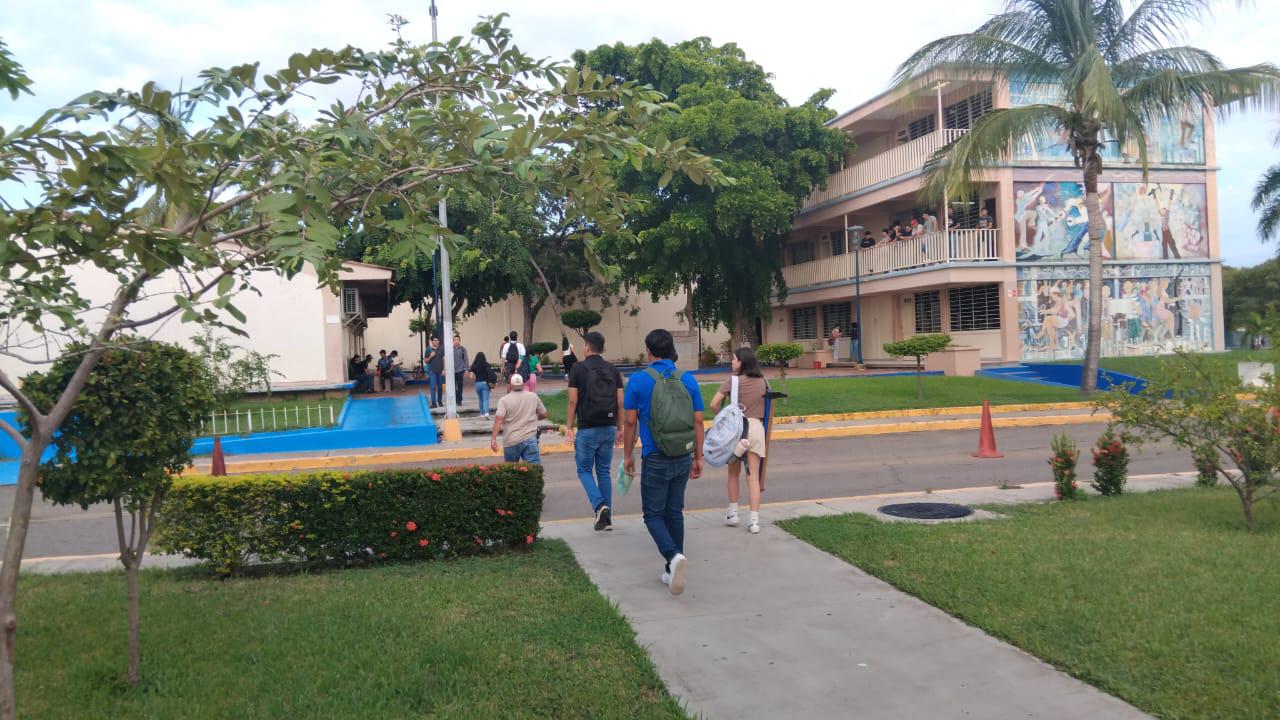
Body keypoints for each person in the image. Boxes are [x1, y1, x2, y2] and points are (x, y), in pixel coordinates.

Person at [623, 329, 705, 596]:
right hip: (682, 454)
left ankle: (672, 556)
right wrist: (698, 457)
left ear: (649, 351)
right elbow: (699, 421)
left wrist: (627, 456)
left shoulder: (638, 381)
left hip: (655, 456)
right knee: (674, 512)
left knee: (653, 514)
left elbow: (630, 422)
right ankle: (671, 569)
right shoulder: (688, 379)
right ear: (671, 350)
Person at [566, 331, 625, 532]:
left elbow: (573, 401)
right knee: (603, 471)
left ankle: (599, 505)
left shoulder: (577, 369)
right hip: (609, 426)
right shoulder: (612, 369)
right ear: (603, 348)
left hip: (587, 427)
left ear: (587, 347)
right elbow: (620, 402)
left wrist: (569, 427)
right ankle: (606, 520)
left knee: (584, 470)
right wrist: (620, 427)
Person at [707, 347, 770, 534]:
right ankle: (754, 522)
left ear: (742, 362)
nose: (732, 362)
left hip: (736, 431)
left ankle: (733, 514)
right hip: (756, 429)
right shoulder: (764, 381)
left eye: (734, 359)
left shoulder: (732, 381)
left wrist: (722, 417)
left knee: (733, 473)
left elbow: (713, 404)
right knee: (753, 477)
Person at [490, 373, 547, 463]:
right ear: (523, 384)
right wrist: (535, 418)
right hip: (530, 438)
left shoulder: (504, 400)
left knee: (511, 469)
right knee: (533, 467)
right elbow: (544, 414)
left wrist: (493, 439)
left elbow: (498, 419)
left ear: (510, 385)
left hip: (511, 440)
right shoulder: (533, 397)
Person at [469, 351, 497, 419]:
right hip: (485, 383)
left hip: (478, 384)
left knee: (480, 399)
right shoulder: (487, 365)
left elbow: (471, 376)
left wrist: (475, 376)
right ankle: (486, 413)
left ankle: (482, 413)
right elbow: (490, 373)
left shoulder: (474, 365)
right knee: (485, 399)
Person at [425, 337, 445, 408]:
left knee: (440, 387)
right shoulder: (428, 349)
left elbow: (444, 359)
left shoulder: (441, 349)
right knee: (433, 387)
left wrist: (444, 369)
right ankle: (434, 403)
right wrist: (430, 356)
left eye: (438, 340)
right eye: (435, 340)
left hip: (440, 371)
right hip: (432, 371)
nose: (437, 342)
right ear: (432, 341)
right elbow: (426, 361)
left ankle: (440, 401)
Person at [452, 334, 469, 407]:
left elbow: (466, 359)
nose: (456, 341)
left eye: (457, 340)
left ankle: (459, 400)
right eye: (455, 340)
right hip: (452, 371)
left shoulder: (463, 349)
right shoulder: (450, 349)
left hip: (460, 370)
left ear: (460, 341)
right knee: (453, 387)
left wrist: (466, 369)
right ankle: (457, 398)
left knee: (460, 386)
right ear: (453, 341)